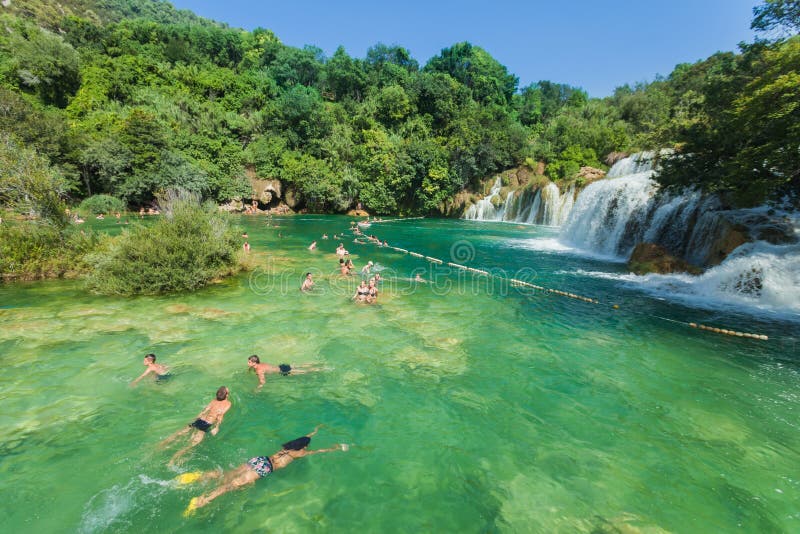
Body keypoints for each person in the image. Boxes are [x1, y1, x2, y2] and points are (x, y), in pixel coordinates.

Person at [183, 426, 347, 514]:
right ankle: (202, 501)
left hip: (261, 459)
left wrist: (316, 430)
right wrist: (337, 448)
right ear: (304, 446)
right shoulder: (300, 452)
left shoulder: (290, 445)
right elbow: (319, 451)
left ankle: (198, 476)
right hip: (266, 467)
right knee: (232, 485)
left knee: (228, 475)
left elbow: (305, 437)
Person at [161, 387, 232, 466]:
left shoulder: (214, 400)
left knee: (179, 434)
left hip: (199, 420)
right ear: (227, 395)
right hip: (207, 424)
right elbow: (220, 415)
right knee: (190, 445)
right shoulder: (228, 404)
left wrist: (194, 420)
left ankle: (161, 445)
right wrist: (216, 427)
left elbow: (204, 411)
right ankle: (172, 460)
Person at [247, 355, 322, 388]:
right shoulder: (260, 364)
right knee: (300, 365)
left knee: (305, 372)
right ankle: (317, 363)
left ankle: (320, 369)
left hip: (283, 371)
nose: (248, 363)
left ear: (254, 363)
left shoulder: (259, 370)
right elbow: (254, 368)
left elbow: (263, 382)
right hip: (281, 366)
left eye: (249, 362)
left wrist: (258, 388)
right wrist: (249, 370)